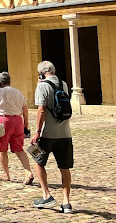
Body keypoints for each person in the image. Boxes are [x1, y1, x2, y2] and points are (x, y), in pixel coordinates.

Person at [31, 60, 73, 214]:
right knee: (65, 168)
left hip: (47, 135)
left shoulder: (42, 86)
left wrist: (37, 131)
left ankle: (46, 195)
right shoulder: (64, 84)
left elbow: (41, 110)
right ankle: (66, 202)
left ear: (41, 73)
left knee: (37, 160)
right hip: (65, 134)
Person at [0, 72, 34, 184]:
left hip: (4, 121)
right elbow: (25, 109)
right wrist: (26, 124)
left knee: (2, 149)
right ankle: (28, 172)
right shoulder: (18, 92)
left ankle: (6, 174)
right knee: (19, 149)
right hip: (18, 120)